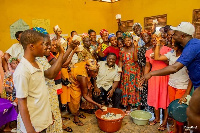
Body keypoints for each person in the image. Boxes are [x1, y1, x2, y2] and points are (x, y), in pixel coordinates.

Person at [13, 29, 55, 133]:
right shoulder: (22, 71)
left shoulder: (38, 64)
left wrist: (49, 113)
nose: (44, 47)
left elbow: (41, 93)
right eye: (41, 44)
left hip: (42, 120)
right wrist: (29, 129)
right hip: (33, 125)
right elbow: (21, 103)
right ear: (32, 47)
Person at [139, 22, 200, 90]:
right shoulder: (190, 45)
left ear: (182, 36)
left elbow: (175, 68)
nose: (172, 36)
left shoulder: (192, 47)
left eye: (175, 34)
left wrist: (151, 74)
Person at [154, 38, 192, 132]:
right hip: (172, 85)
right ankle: (175, 129)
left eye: (174, 44)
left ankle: (180, 130)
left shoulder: (186, 55)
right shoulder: (171, 53)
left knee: (180, 110)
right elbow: (157, 57)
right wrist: (158, 43)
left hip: (182, 86)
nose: (172, 45)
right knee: (174, 109)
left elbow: (191, 76)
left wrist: (187, 93)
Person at [143, 33, 171, 130]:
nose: (154, 40)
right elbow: (147, 66)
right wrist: (145, 77)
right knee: (155, 98)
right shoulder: (148, 52)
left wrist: (158, 56)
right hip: (153, 77)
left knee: (165, 98)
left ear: (161, 39)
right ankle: (157, 118)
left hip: (164, 76)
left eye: (157, 38)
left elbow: (170, 63)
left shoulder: (167, 49)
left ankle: (165, 121)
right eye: (153, 39)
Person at [68, 59, 102, 126]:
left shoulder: (89, 64)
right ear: (88, 70)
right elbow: (85, 96)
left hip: (78, 78)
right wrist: (97, 104)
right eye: (94, 72)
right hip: (72, 82)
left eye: (97, 71)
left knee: (80, 97)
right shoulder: (82, 77)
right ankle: (75, 117)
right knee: (75, 101)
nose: (96, 74)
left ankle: (78, 112)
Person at [118, 32, 140, 114]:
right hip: (126, 71)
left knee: (133, 88)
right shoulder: (122, 50)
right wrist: (120, 68)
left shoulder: (136, 48)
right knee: (126, 88)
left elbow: (135, 60)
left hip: (134, 71)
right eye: (126, 40)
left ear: (132, 40)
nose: (128, 41)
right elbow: (120, 61)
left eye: (129, 40)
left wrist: (135, 47)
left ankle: (135, 105)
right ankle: (127, 106)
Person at [137, 30, 154, 112]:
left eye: (146, 36)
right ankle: (146, 111)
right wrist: (145, 77)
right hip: (146, 72)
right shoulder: (141, 50)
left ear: (150, 36)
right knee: (145, 90)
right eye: (143, 37)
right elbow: (143, 65)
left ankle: (155, 111)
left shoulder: (155, 47)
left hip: (156, 72)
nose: (145, 38)